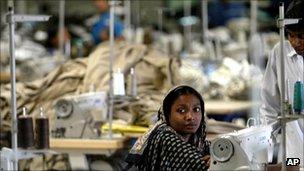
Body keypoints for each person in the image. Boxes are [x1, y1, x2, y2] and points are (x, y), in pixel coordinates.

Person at [260, 0, 304, 167]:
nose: (295, 42)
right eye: (291, 35)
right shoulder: (280, 53)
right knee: (291, 167)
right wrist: (266, 144)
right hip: (294, 151)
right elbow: (269, 104)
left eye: (301, 36)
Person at [125, 85, 210, 170]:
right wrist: (216, 161)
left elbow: (218, 154)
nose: (190, 117)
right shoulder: (165, 138)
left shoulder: (198, 141)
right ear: (167, 114)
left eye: (196, 109)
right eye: (181, 110)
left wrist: (214, 158)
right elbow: (203, 166)